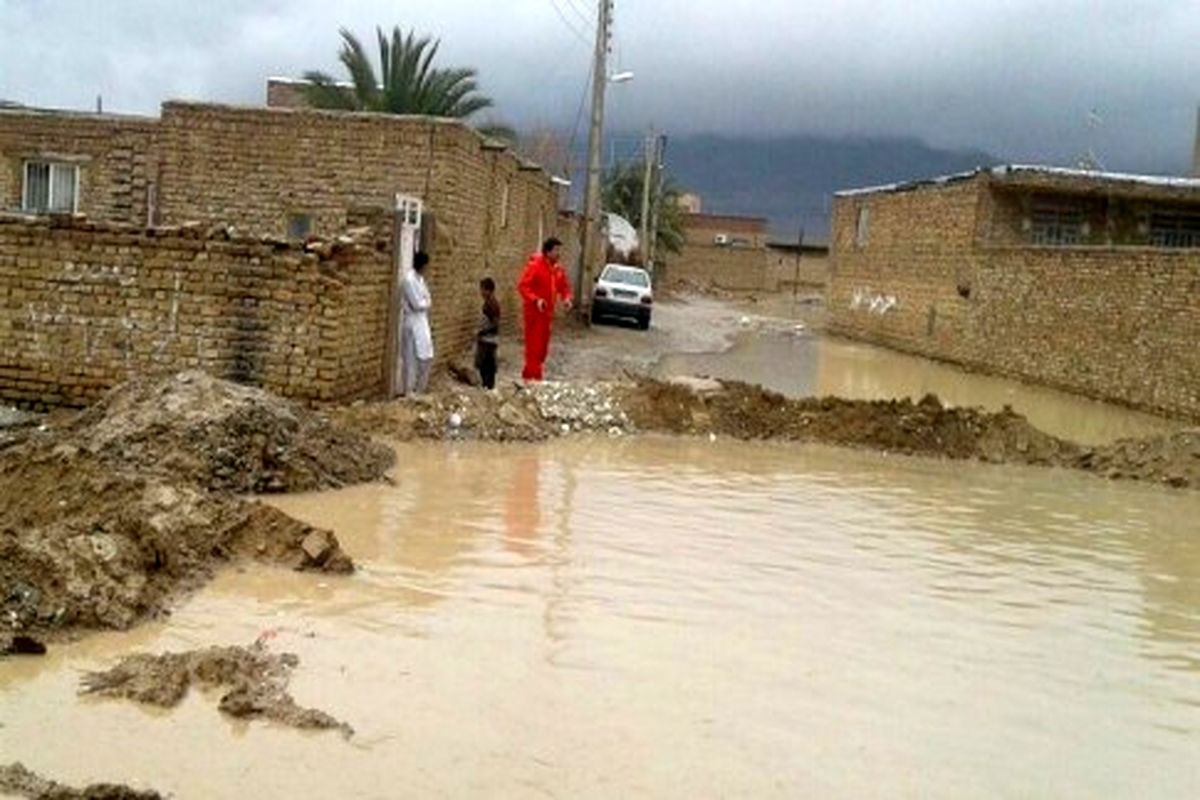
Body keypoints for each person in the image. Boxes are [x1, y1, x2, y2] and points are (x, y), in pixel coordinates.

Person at [517, 237, 573, 381]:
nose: (559, 254)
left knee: (542, 350)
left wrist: (566, 298)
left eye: (559, 250)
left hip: (547, 315)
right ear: (547, 252)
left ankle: (527, 377)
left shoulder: (557, 269)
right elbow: (523, 286)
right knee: (534, 349)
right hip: (534, 314)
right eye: (556, 250)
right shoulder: (535, 266)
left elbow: (564, 286)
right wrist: (536, 299)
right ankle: (535, 381)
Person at [400, 251, 434, 395]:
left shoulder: (420, 280)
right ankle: (408, 391)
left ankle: (419, 389)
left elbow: (428, 299)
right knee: (410, 358)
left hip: (422, 322)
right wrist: (425, 302)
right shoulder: (409, 280)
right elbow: (417, 304)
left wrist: (425, 302)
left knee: (425, 355)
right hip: (412, 322)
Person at [475, 276, 501, 390]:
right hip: (488, 339)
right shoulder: (490, 302)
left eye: (482, 289)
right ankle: (488, 386)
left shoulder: (491, 304)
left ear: (488, 290)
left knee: (486, 365)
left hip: (488, 340)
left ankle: (488, 386)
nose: (481, 292)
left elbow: (495, 323)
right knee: (486, 365)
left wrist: (481, 332)